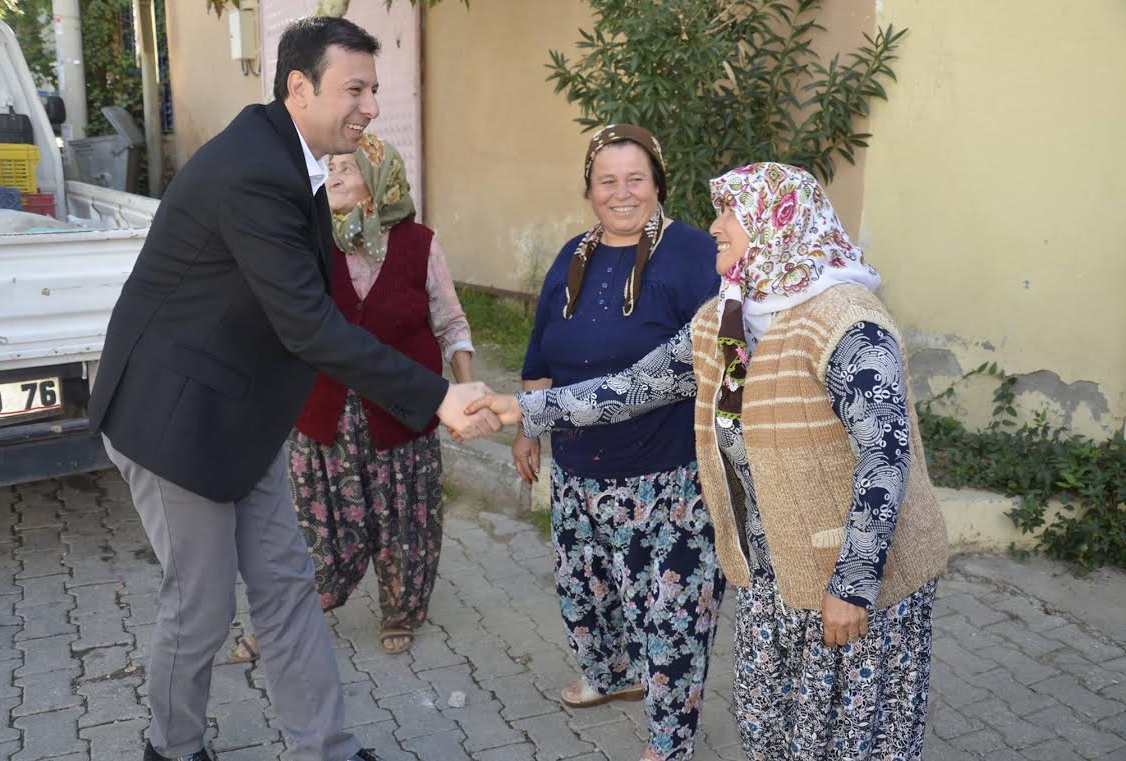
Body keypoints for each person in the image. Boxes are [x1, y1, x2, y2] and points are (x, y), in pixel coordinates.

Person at [87, 17, 497, 761]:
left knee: (285, 583)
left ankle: (326, 750)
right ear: (299, 87)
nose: (370, 106)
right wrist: (436, 395)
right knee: (202, 606)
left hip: (243, 412)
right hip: (173, 420)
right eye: (355, 89)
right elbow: (310, 325)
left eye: (373, 89)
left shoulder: (293, 154)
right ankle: (171, 748)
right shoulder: (254, 169)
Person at [475, 162, 949, 761]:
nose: (716, 226)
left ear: (778, 226)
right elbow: (631, 388)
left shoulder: (848, 324)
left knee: (847, 739)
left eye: (732, 213)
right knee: (765, 721)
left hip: (853, 574)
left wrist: (852, 584)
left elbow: (885, 457)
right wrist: (521, 410)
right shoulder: (725, 320)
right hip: (769, 568)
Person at [515, 124, 725, 761]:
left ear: (659, 183)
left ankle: (669, 741)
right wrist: (529, 427)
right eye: (608, 180)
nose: (622, 193)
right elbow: (540, 348)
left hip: (670, 476)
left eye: (636, 178)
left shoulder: (692, 253)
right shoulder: (573, 256)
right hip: (580, 471)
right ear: (589, 189)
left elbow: (727, 356)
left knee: (670, 617)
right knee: (589, 591)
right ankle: (610, 677)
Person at [289, 135, 475, 655]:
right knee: (317, 521)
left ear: (377, 182)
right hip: (325, 412)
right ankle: (298, 605)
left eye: (347, 168)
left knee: (406, 518)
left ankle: (400, 608)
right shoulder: (310, 240)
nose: (335, 177)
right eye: (331, 168)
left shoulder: (419, 244)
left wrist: (466, 396)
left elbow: (450, 322)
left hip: (401, 412)